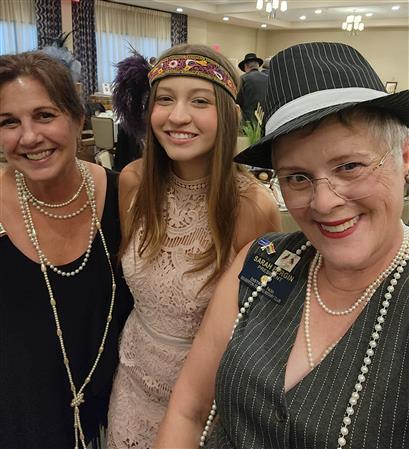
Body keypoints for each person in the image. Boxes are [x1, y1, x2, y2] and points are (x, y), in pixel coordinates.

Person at [154, 42, 409, 449]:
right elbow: (188, 409)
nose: (324, 202)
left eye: (349, 167)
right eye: (297, 177)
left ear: (404, 158)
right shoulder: (261, 261)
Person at [106, 43, 282, 448]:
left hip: (204, 403)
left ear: (229, 114)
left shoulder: (252, 207)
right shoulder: (133, 181)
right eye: (165, 99)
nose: (178, 116)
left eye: (199, 101)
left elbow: (256, 328)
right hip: (131, 381)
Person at [0, 52, 133, 449]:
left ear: (78, 119)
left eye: (44, 115)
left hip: (116, 419)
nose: (29, 137)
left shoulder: (125, 195)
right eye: (9, 122)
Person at [236, 52, 268, 124]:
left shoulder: (242, 79)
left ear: (246, 66)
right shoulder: (269, 78)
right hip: (266, 120)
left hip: (249, 122)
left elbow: (237, 101)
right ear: (258, 65)